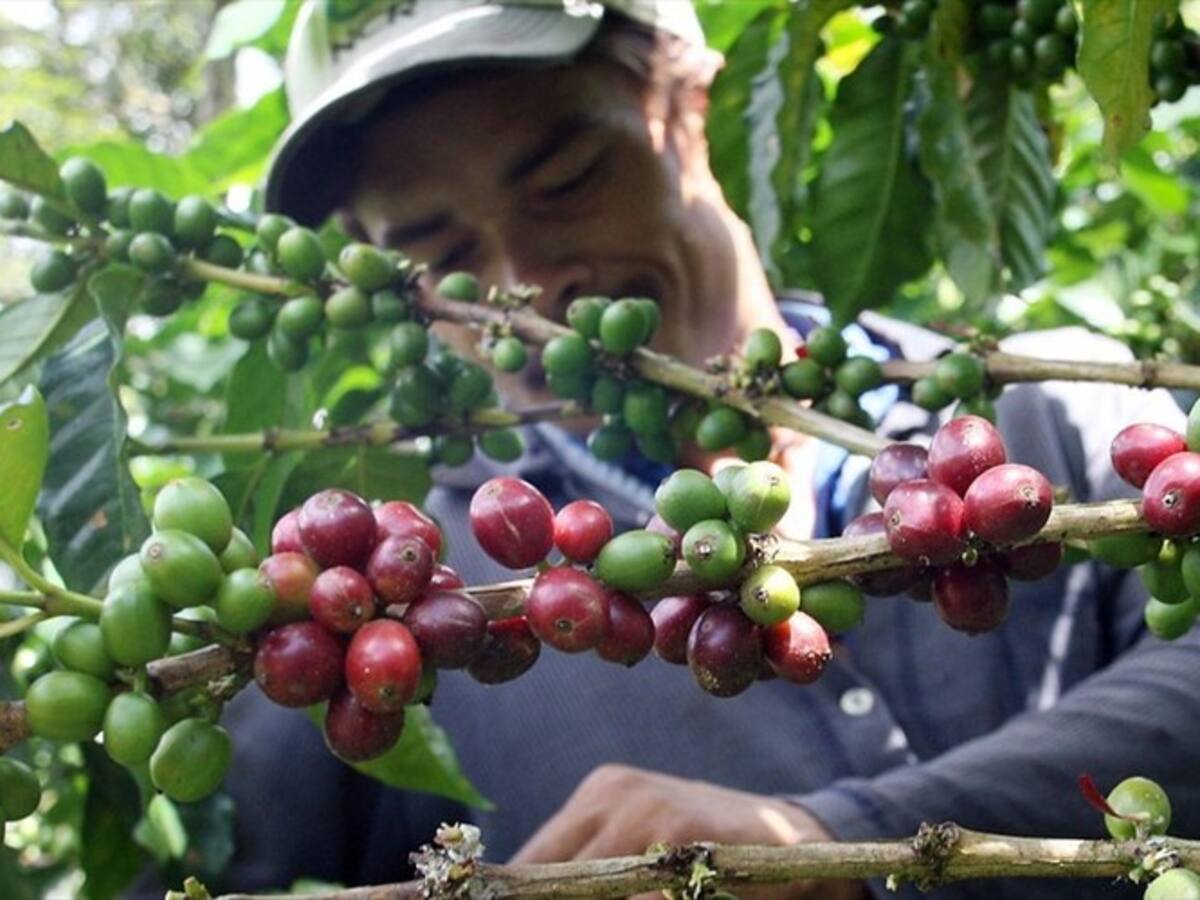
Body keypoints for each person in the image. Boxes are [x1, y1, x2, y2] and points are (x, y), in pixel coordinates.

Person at [210, 2, 1199, 898]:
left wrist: (830, 842)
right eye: (440, 253)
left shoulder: (1057, 417)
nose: (525, 285)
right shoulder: (416, 594)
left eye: (567, 180)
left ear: (693, 105)